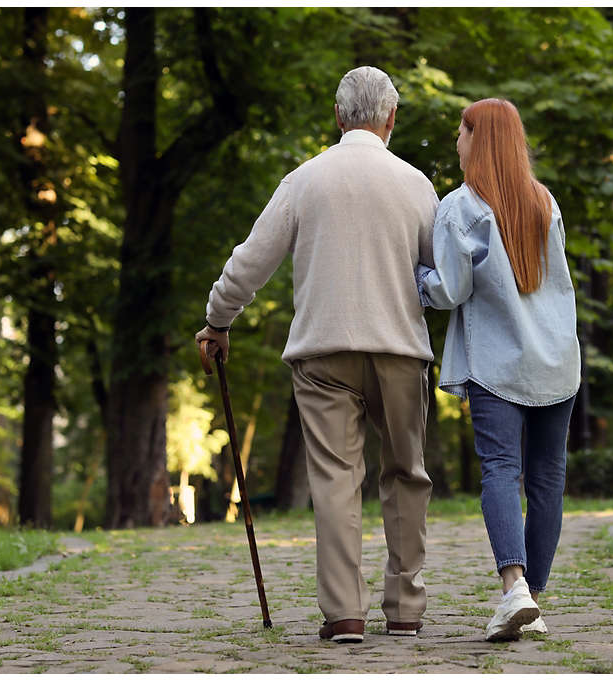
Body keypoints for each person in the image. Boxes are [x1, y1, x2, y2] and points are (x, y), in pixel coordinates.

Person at [196, 66, 438, 644]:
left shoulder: (303, 180)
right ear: (390, 118)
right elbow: (445, 274)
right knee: (406, 474)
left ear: (337, 116)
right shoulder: (417, 185)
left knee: (334, 480)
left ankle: (344, 613)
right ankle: (404, 609)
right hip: (400, 351)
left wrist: (217, 320)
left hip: (324, 354)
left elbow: (250, 261)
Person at [416, 98, 580, 641]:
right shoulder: (545, 201)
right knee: (547, 480)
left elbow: (450, 290)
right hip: (556, 358)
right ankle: (531, 596)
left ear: (478, 139)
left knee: (501, 471)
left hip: (499, 362)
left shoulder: (462, 207)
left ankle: (515, 588)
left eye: (460, 132)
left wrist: (418, 277)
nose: (455, 142)